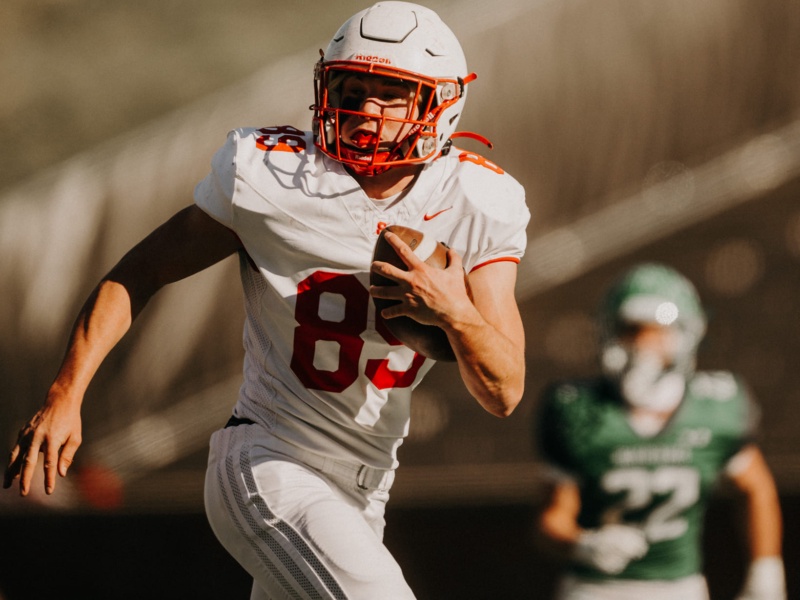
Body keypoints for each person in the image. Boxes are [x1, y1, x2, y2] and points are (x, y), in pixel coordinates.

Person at [4, 2, 530, 598]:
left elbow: (504, 391)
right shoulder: (274, 177)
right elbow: (140, 270)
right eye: (350, 88)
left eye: (390, 94)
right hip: (269, 460)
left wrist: (453, 311)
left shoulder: (479, 199)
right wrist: (65, 394)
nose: (363, 110)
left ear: (441, 103)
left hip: (366, 487)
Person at [532, 262, 786, 600]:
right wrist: (583, 544)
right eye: (632, 330)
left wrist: (765, 569)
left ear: (687, 335)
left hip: (679, 587)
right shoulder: (579, 409)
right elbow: (553, 519)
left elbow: (757, 489)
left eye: (659, 331)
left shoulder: (715, 407)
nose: (644, 344)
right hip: (595, 589)